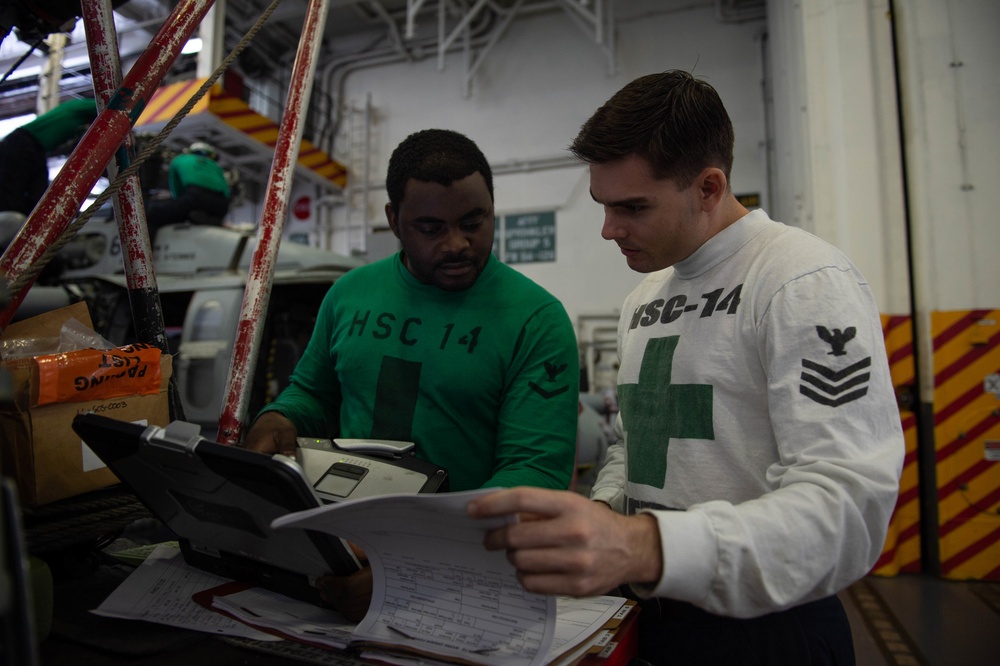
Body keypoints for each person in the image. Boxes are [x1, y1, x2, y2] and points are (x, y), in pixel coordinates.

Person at [467, 70, 904, 665]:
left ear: (708, 186)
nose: (608, 229)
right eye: (603, 205)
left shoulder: (801, 280)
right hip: (655, 610)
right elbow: (634, 443)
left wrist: (644, 545)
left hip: (771, 628)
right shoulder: (644, 298)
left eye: (633, 207)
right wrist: (604, 513)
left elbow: (847, 507)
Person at [245, 128, 580, 615]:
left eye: (474, 221)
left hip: (465, 577)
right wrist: (281, 418)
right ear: (394, 222)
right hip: (342, 550)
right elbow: (314, 394)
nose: (457, 244)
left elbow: (535, 473)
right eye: (431, 228)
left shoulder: (535, 320)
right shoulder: (349, 294)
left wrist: (412, 559)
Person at [0, 97, 98, 216]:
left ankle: (31, 221)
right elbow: (110, 105)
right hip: (22, 143)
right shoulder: (81, 106)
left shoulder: (78, 117)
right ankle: (9, 221)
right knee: (13, 188)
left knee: (38, 193)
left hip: (36, 149)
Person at [146, 141, 230, 235]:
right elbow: (226, 192)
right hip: (221, 206)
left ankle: (148, 248)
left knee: (152, 212)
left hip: (195, 198)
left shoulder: (179, 159)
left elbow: (176, 190)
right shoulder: (217, 167)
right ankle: (210, 219)